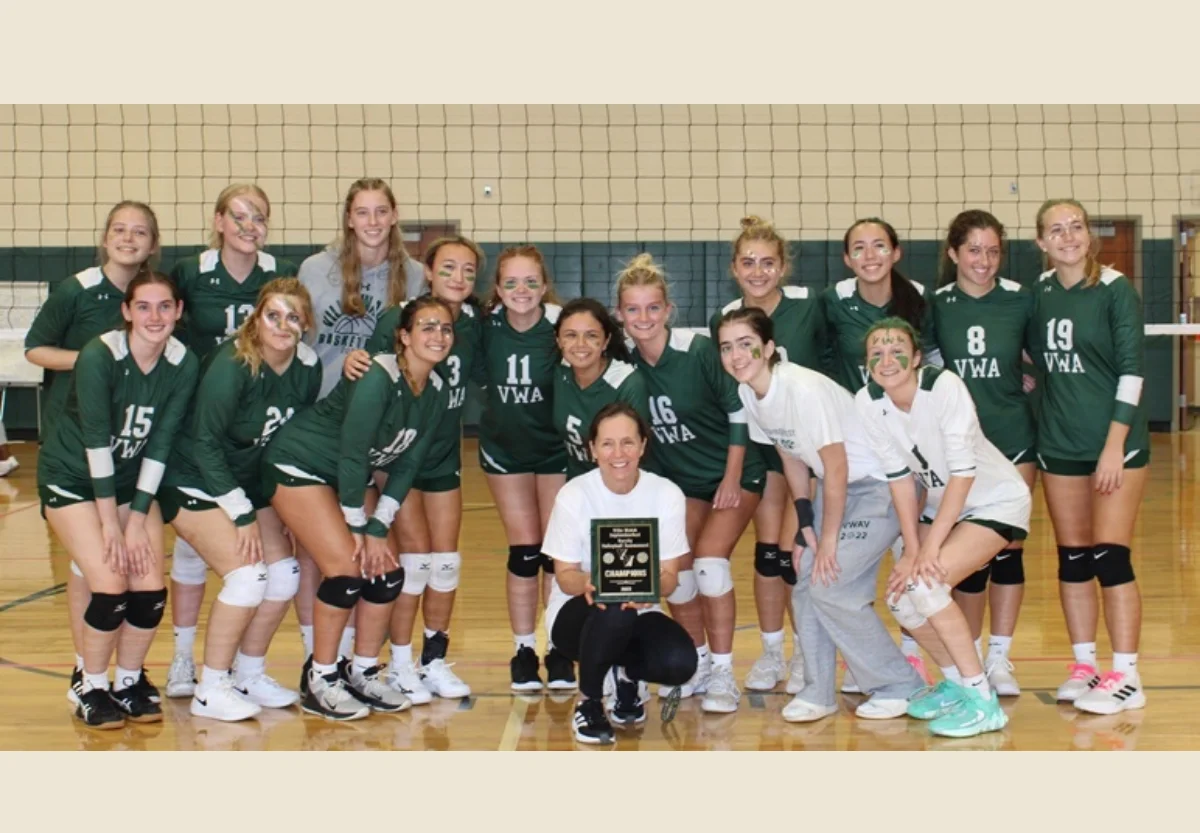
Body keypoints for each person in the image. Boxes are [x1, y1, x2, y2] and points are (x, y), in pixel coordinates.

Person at [717, 307, 924, 722]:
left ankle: (901, 686)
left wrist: (828, 539)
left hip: (880, 486)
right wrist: (805, 520)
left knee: (831, 584)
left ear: (769, 347)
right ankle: (817, 691)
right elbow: (790, 453)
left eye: (746, 344)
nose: (736, 355)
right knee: (805, 580)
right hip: (835, 488)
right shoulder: (749, 393)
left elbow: (838, 464)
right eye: (727, 347)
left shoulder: (802, 389)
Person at [262, 295, 452, 720]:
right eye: (426, 327)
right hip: (300, 463)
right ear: (403, 336)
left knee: (386, 574)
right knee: (347, 571)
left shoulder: (437, 388)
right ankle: (321, 679)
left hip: (348, 475)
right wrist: (357, 528)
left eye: (445, 328)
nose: (437, 336)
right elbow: (351, 453)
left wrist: (379, 524)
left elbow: (408, 464)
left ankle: (362, 670)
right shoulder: (378, 376)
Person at [37, 271, 199, 728]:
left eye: (164, 306)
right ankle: (89, 686)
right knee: (111, 585)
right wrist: (111, 523)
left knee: (149, 590)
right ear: (126, 312)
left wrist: (137, 517)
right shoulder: (99, 355)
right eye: (143, 306)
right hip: (72, 478)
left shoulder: (183, 362)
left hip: (129, 484)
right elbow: (95, 443)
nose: (154, 316)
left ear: (178, 312)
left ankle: (127, 681)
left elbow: (161, 443)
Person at [855, 317, 1030, 738]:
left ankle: (982, 701)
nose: (886, 359)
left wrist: (929, 550)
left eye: (896, 349)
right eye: (875, 353)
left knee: (926, 586)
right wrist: (913, 549)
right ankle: (955, 683)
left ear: (916, 357)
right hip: (941, 505)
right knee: (901, 598)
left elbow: (962, 474)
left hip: (994, 499)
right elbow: (900, 480)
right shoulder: (868, 400)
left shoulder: (944, 387)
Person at [158, 279, 322, 721]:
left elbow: (287, 442)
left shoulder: (308, 366)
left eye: (294, 316)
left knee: (284, 576)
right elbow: (206, 443)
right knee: (249, 578)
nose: (284, 325)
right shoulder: (233, 364)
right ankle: (210, 688)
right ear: (257, 318)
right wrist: (242, 511)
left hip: (246, 484)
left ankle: (248, 673)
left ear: (306, 323)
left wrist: (280, 503)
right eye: (274, 315)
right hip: (193, 479)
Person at [24, 200, 162, 705]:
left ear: (152, 243)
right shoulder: (77, 290)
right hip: (75, 442)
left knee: (112, 572)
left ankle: (117, 672)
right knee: (98, 569)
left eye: (140, 232)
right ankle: (88, 670)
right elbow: (35, 349)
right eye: (120, 230)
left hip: (128, 452)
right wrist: (95, 359)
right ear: (105, 238)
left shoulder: (156, 296)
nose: (129, 238)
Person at [166, 183, 298, 699]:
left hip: (248, 434)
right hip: (195, 428)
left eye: (258, 217)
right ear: (218, 220)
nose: (248, 226)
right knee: (191, 553)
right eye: (238, 216)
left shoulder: (277, 276)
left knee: (261, 567)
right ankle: (182, 661)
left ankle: (239, 671)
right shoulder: (190, 273)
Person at [618, 253, 765, 714]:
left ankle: (724, 673)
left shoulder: (699, 350)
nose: (644, 318)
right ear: (620, 314)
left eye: (653, 308)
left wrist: (733, 476)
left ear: (668, 310)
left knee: (709, 567)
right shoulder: (624, 362)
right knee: (677, 573)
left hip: (732, 473)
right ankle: (696, 663)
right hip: (681, 485)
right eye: (633, 309)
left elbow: (738, 409)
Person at [292, 178, 422, 675]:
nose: (371, 221)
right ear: (349, 218)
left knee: (368, 548)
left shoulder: (410, 276)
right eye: (362, 212)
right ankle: (318, 655)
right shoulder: (314, 269)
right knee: (316, 554)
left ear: (393, 217)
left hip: (376, 432)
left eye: (380, 211)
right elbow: (298, 341)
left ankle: (360, 659)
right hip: (321, 423)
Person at [1031, 199, 1149, 715]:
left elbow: (1132, 370)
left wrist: (1113, 446)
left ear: (1088, 234)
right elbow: (1033, 354)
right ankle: (1085, 666)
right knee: (1073, 559)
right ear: (1041, 242)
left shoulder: (1116, 289)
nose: (1068, 236)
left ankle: (1126, 674)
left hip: (1114, 446)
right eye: (1056, 230)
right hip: (1059, 444)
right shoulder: (1037, 293)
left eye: (1075, 226)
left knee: (1111, 555)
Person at [355, 236, 485, 704]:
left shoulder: (473, 323)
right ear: (427, 271)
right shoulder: (400, 317)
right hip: (399, 452)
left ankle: (433, 660)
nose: (458, 278)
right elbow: (370, 368)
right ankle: (401, 663)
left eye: (468, 271)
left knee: (446, 561)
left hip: (443, 453)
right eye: (448, 268)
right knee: (415, 560)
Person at [822, 217, 942, 687]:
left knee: (906, 553)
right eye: (859, 248)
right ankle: (866, 658)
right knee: (858, 559)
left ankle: (911, 655)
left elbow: (935, 362)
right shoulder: (832, 302)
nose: (870, 255)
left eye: (879, 246)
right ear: (848, 258)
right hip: (855, 448)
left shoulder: (917, 299)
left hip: (908, 442)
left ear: (896, 252)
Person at [709, 215, 825, 694]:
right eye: (748, 262)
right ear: (735, 268)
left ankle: (805, 655)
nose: (758, 271)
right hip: (762, 446)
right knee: (768, 555)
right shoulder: (727, 317)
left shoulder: (809, 307)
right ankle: (773, 653)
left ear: (783, 267)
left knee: (797, 552)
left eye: (768, 263)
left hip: (807, 445)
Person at [541, 402, 698, 744]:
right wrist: (590, 584)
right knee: (611, 606)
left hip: (639, 610)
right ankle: (590, 703)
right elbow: (564, 574)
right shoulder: (574, 495)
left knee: (680, 664)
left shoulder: (666, 494)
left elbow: (670, 576)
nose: (618, 453)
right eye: (608, 443)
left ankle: (626, 676)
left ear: (643, 445)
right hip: (575, 613)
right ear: (593, 449)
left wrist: (652, 591)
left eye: (628, 442)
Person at [933, 209, 1037, 695]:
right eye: (973, 249)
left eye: (993, 250)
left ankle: (1000, 658)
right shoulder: (935, 305)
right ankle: (969, 654)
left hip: (1013, 436)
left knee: (1009, 549)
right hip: (961, 448)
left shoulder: (1021, 299)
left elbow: (1040, 357)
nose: (984, 260)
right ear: (953, 253)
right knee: (970, 556)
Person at [475, 246, 574, 691]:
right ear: (497, 289)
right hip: (505, 452)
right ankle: (522, 650)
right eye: (511, 282)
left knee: (555, 553)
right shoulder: (484, 328)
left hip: (554, 450)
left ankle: (558, 648)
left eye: (530, 282)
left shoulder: (561, 326)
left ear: (544, 286)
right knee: (524, 552)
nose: (521, 290)